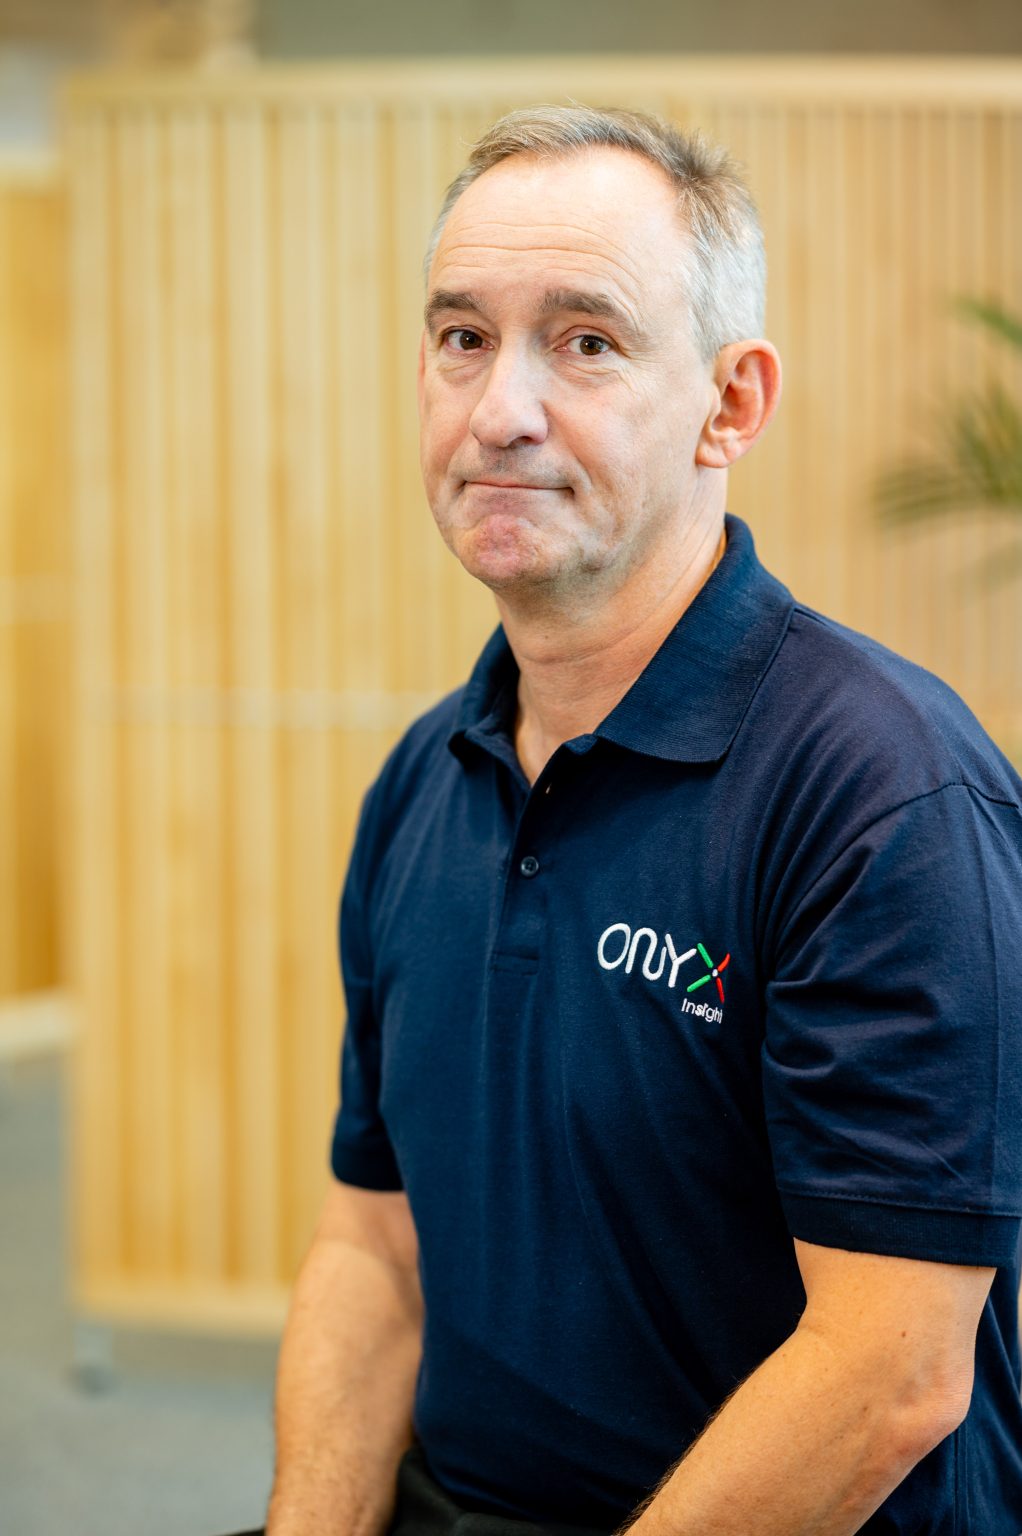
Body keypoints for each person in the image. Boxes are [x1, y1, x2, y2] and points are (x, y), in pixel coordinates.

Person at [261, 106, 1022, 1535]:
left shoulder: (884, 795)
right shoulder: (423, 780)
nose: (499, 411)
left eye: (586, 342)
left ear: (731, 404)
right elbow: (375, 1247)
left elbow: (889, 1377)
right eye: (462, 337)